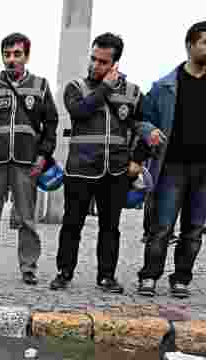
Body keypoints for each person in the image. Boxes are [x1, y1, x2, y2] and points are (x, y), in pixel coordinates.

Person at [137, 21, 206, 298]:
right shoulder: (163, 86)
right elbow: (142, 119)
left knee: (194, 230)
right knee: (162, 227)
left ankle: (181, 278)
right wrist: (150, 131)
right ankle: (149, 276)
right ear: (190, 45)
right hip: (171, 166)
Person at [47, 32, 156, 293]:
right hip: (81, 169)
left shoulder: (133, 92)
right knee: (72, 224)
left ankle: (106, 276)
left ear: (115, 63)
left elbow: (144, 127)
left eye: (103, 62)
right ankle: (64, 272)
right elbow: (80, 111)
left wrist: (138, 160)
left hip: (116, 169)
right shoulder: (75, 87)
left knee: (110, 227)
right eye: (94, 59)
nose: (96, 65)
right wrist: (105, 86)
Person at [0, 32, 59, 286]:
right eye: (7, 54)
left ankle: (28, 266)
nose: (11, 59)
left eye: (17, 54)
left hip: (27, 161)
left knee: (27, 218)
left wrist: (43, 156)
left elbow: (51, 124)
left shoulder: (40, 86)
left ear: (26, 56)